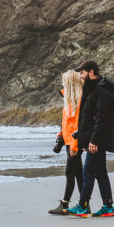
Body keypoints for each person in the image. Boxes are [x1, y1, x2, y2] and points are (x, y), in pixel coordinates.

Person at [67, 60, 114, 217]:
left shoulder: (102, 92)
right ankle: (108, 207)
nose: (80, 75)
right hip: (92, 139)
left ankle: (82, 206)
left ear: (92, 72)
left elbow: (102, 119)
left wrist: (94, 140)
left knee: (88, 171)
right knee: (100, 172)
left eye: (82, 72)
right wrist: (81, 137)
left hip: (97, 140)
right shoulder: (92, 89)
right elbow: (87, 118)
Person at [48, 69, 83, 215]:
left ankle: (67, 204)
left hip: (75, 142)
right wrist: (61, 135)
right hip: (69, 140)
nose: (62, 83)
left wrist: (74, 146)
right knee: (78, 173)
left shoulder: (79, 100)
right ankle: (83, 203)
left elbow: (78, 125)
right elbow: (67, 123)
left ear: (69, 83)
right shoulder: (68, 99)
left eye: (64, 81)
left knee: (71, 173)